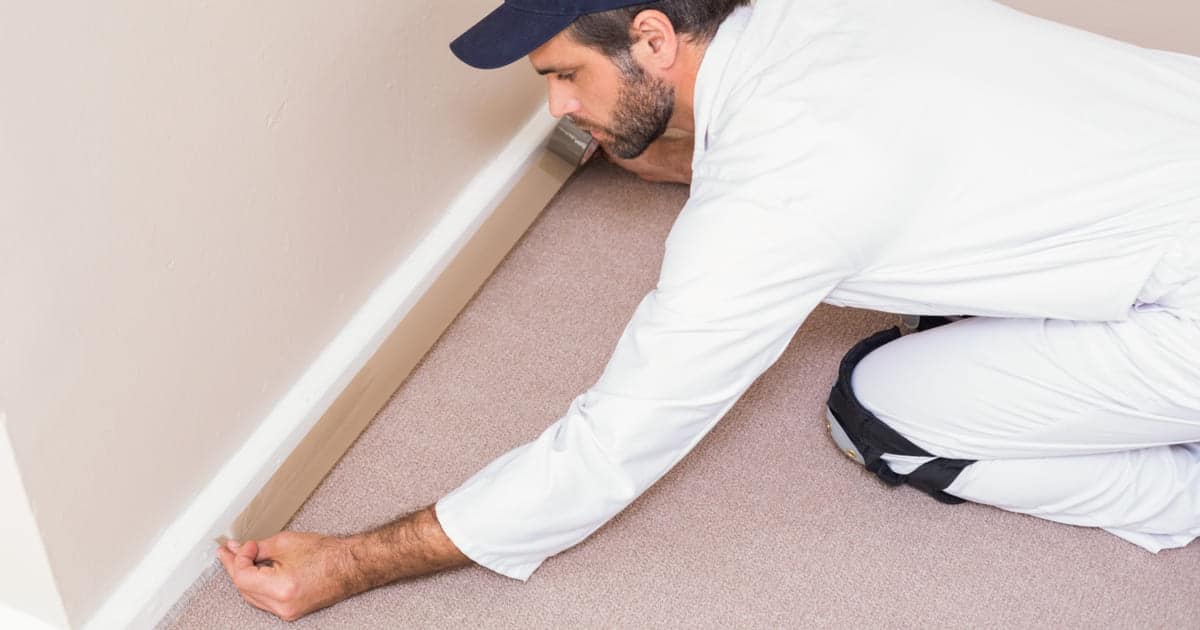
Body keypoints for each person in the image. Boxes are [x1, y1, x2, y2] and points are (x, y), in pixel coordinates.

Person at [218, 0, 1200, 621]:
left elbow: (610, 447)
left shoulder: (774, 200)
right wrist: (679, 150)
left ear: (650, 36)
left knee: (875, 404)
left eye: (566, 74)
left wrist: (353, 563)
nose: (559, 108)